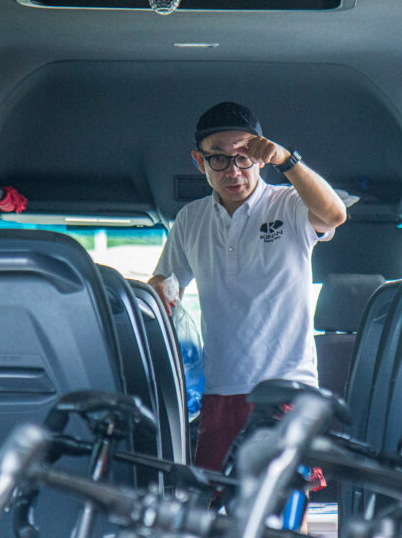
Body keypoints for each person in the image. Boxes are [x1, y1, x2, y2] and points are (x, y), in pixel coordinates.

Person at [148, 101, 347, 471]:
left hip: (287, 388)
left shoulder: (289, 204)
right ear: (199, 161)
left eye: (244, 156)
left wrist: (287, 160)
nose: (233, 170)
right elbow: (164, 282)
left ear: (261, 157)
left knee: (283, 497)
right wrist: (160, 290)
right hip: (219, 389)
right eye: (219, 159)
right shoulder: (190, 219)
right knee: (217, 498)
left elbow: (335, 214)